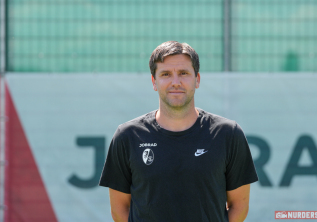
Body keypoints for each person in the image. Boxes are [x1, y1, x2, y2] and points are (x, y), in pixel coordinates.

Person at [99, 41, 258, 222]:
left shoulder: (228, 134)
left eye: (183, 73)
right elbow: (119, 209)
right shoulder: (127, 136)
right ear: (154, 81)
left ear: (197, 79)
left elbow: (239, 205)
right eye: (166, 74)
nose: (176, 82)